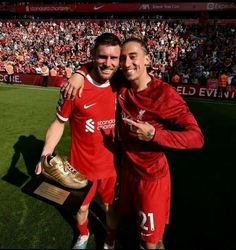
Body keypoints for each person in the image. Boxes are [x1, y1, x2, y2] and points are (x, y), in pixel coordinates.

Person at [63, 36, 204, 250]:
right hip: (126, 172)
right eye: (123, 58)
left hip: (151, 178)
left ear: (147, 59)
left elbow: (196, 137)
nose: (127, 63)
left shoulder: (164, 94)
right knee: (139, 230)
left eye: (133, 57)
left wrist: (155, 135)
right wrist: (79, 73)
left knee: (150, 242)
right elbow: (101, 61)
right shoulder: (122, 84)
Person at [35, 33, 122, 249]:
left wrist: (79, 71)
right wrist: (45, 154)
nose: (108, 63)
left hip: (113, 167)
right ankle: (83, 234)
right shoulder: (73, 89)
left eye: (114, 58)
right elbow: (58, 123)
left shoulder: (121, 83)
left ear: (120, 60)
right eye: (102, 57)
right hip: (82, 168)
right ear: (93, 55)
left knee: (111, 209)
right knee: (81, 209)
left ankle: (109, 239)